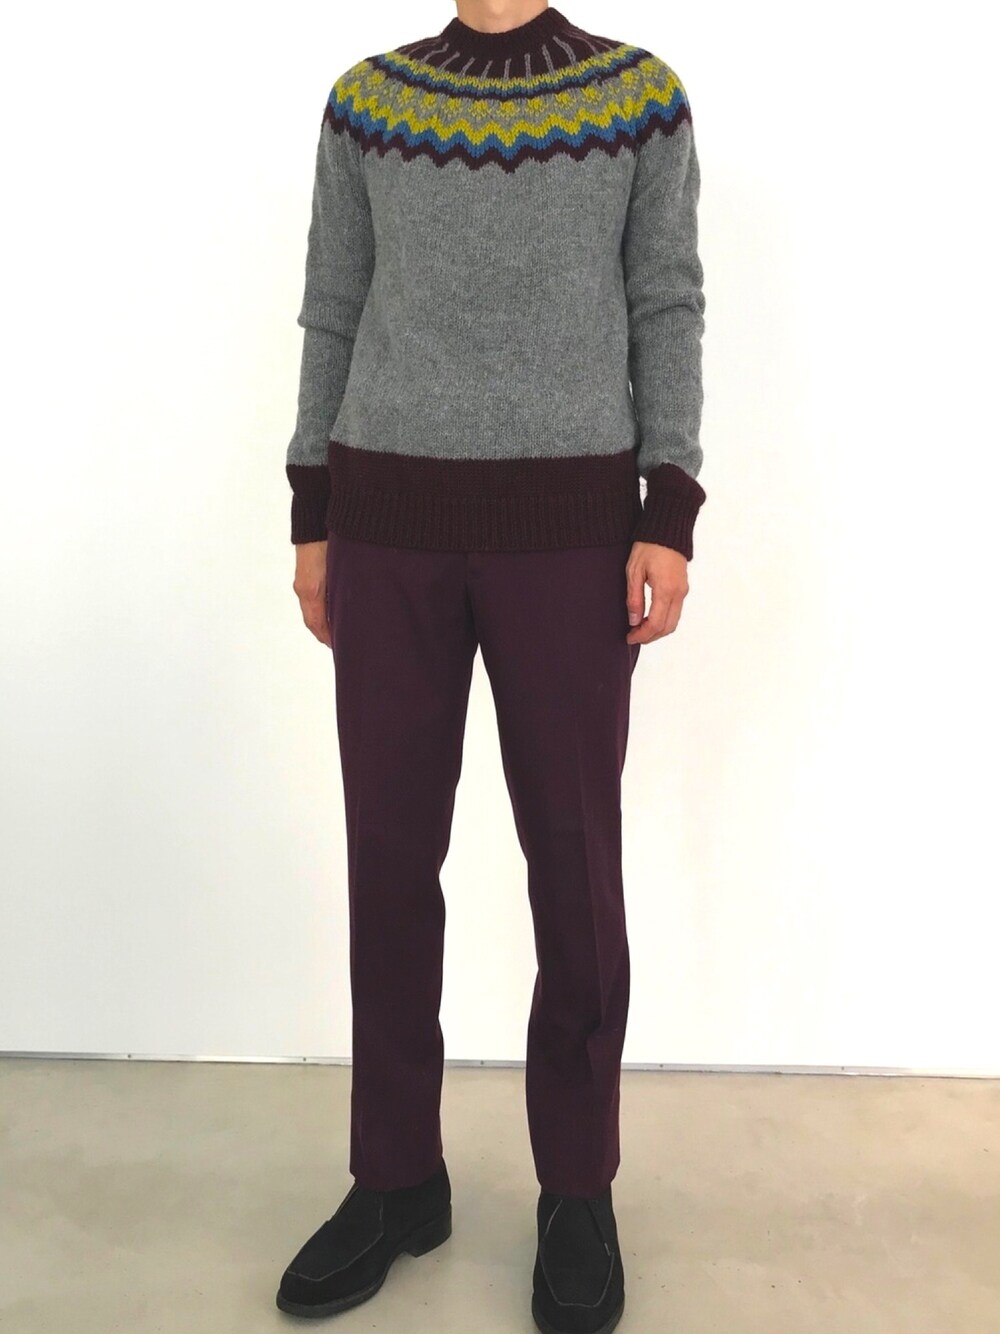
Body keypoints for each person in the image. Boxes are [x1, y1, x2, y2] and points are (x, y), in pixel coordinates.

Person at [277, 3, 706, 1329]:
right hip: (386, 524)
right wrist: (311, 513)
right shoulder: (368, 100)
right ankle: (396, 1174)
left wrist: (669, 507)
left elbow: (666, 300)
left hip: (569, 536)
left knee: (574, 866)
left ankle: (577, 1187)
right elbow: (334, 308)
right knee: (388, 861)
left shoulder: (638, 97)